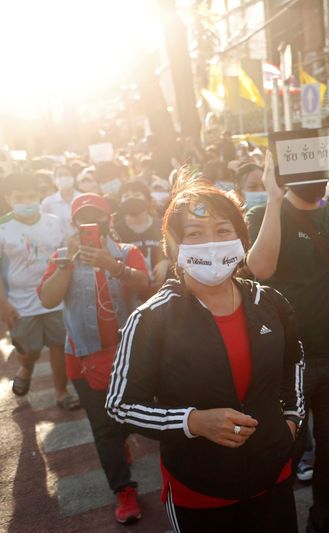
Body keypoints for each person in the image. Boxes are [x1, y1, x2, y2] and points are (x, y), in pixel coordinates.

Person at [105, 183, 305, 531]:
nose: (211, 244)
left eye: (223, 231)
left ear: (242, 240)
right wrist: (192, 421)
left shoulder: (270, 303)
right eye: (195, 234)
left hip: (273, 476)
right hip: (198, 491)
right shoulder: (151, 319)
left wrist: (290, 421)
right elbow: (121, 405)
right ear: (174, 248)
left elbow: (295, 364)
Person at [247, 141, 329, 533]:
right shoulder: (262, 214)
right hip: (287, 363)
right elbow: (261, 268)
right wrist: (273, 199)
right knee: (281, 456)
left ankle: (323, 526)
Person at [38, 193, 150, 524]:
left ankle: (123, 438)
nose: (91, 225)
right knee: (103, 428)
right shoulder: (61, 257)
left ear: (108, 220)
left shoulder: (127, 253)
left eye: (97, 218)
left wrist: (113, 266)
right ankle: (124, 491)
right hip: (83, 359)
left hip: (128, 354)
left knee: (135, 416)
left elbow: (145, 285)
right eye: (83, 219)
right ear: (74, 225)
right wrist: (68, 262)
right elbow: (47, 298)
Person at [1, 173, 77, 409]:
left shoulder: (53, 221)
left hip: (55, 297)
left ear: (39, 196)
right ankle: (26, 367)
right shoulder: (3, 227)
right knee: (29, 349)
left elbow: (67, 253)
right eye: (20, 197)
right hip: (20, 302)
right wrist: (3, 303)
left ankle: (62, 393)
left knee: (59, 345)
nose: (26, 201)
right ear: (8, 198)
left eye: (31, 196)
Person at [114, 181, 168, 291]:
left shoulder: (163, 226)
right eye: (126, 196)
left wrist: (167, 262)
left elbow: (179, 252)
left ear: (148, 201)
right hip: (131, 294)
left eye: (137, 195)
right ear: (120, 203)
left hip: (165, 291)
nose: (132, 199)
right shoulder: (115, 231)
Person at [41, 164, 78, 236]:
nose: (64, 178)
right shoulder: (48, 202)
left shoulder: (83, 198)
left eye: (67, 175)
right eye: (60, 175)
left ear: (73, 177)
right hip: (58, 245)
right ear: (54, 180)